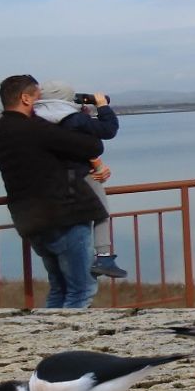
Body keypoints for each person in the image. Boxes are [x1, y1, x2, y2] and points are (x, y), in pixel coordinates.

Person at [0, 75, 108, 308]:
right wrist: (85, 117)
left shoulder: (1, 131)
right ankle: (69, 342)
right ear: (25, 98)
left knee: (59, 288)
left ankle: (48, 340)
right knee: (81, 291)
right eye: (37, 99)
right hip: (64, 216)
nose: (42, 106)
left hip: (31, 220)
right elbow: (93, 145)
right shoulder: (34, 129)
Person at [34, 80, 127, 278]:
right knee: (101, 212)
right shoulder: (74, 119)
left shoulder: (35, 121)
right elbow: (108, 130)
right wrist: (103, 107)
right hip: (81, 176)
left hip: (49, 183)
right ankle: (103, 256)